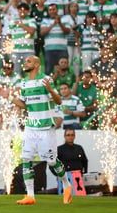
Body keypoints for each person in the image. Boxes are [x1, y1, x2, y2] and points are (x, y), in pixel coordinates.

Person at [11, 55, 73, 205]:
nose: (25, 63)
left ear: (37, 64)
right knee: (26, 159)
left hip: (45, 126)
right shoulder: (23, 83)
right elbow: (27, 106)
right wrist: (12, 99)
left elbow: (58, 101)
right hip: (31, 126)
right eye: (25, 61)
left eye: (29, 61)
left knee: (51, 161)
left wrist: (51, 90)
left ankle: (67, 185)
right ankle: (30, 196)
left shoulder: (45, 80)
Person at [40, 3, 71, 75]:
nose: (52, 11)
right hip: (49, 50)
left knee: (63, 70)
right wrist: (53, 24)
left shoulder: (65, 19)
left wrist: (60, 23)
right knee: (49, 70)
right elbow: (42, 32)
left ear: (57, 10)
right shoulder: (45, 20)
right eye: (50, 10)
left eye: (53, 9)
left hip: (62, 49)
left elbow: (68, 31)